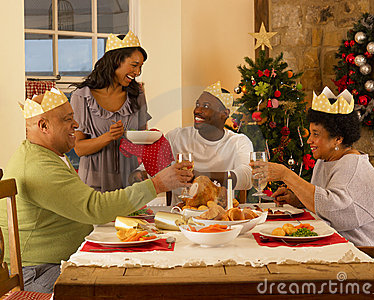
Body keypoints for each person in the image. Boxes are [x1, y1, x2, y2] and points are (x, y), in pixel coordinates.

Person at [0, 88, 192, 293]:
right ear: (44, 126)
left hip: (56, 263)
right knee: (126, 286)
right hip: (38, 272)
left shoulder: (45, 156)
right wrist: (157, 185)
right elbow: (95, 207)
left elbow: (89, 206)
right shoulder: (37, 166)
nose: (76, 125)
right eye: (67, 119)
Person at [251, 87, 374, 267]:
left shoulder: (353, 166)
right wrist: (298, 200)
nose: (309, 141)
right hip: (346, 250)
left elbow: (334, 211)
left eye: (316, 134)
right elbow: (324, 201)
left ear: (337, 138)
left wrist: (286, 174)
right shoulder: (325, 160)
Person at [70, 31, 151, 192]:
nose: (137, 72)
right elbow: (79, 148)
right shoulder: (82, 97)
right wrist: (108, 137)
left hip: (130, 182)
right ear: (115, 61)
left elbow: (143, 137)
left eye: (140, 67)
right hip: (94, 184)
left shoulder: (137, 94)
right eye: (134, 65)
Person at [165, 81, 253, 205]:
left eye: (206, 106)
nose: (197, 110)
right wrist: (139, 174)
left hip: (221, 217)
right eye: (197, 104)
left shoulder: (238, 142)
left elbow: (247, 177)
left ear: (224, 114)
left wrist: (202, 177)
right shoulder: (176, 137)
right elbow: (149, 170)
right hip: (180, 216)